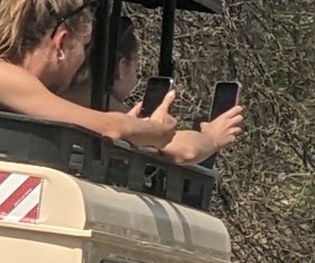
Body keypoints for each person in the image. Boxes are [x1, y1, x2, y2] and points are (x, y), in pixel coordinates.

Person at [0, 0, 178, 151]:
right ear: (62, 42)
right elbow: (109, 127)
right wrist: (156, 132)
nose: (83, 58)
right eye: (84, 46)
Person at [105, 13, 246, 166]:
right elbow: (186, 151)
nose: (137, 75)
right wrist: (211, 138)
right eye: (135, 65)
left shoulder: (77, 111)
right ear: (122, 67)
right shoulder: (116, 120)